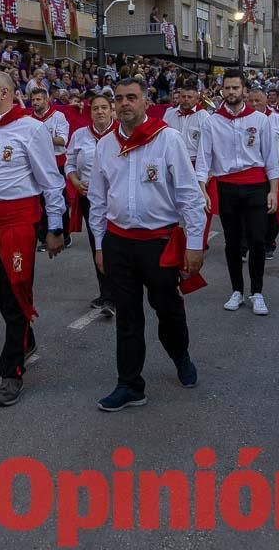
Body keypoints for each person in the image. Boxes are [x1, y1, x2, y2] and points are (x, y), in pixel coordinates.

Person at [88, 78, 206, 411]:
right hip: (120, 243)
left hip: (159, 243)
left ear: (145, 102)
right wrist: (99, 245)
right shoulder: (105, 146)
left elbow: (187, 194)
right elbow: (97, 200)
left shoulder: (167, 139)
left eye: (132, 97)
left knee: (167, 309)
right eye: (119, 98)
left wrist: (194, 243)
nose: (124, 103)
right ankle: (129, 385)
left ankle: (180, 355)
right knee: (127, 316)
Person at [0, 71, 65, 407]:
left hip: (16, 224)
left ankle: (12, 371)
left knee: (17, 287)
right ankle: (25, 336)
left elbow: (51, 181)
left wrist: (54, 227)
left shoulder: (32, 129)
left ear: (5, 92)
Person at [196, 69, 279, 315]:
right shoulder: (212, 121)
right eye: (227, 88)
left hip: (256, 185)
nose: (231, 92)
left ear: (244, 90)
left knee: (256, 240)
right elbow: (203, 159)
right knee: (232, 243)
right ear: (222, 90)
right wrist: (203, 190)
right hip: (227, 186)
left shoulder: (261, 120)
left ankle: (257, 292)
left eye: (236, 88)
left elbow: (271, 160)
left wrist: (273, 191)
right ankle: (236, 290)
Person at [67, 91, 117, 315]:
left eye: (104, 108)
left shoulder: (121, 133)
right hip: (89, 197)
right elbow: (69, 164)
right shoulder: (79, 135)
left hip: (117, 198)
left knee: (116, 245)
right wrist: (76, 182)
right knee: (97, 243)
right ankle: (106, 293)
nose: (100, 112)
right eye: (95, 108)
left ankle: (118, 293)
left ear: (111, 110)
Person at [247, 88, 279, 260]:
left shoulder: (278, 121)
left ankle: (269, 242)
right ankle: (246, 243)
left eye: (257, 101)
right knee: (248, 210)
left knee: (270, 210)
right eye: (250, 101)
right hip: (250, 173)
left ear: (266, 100)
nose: (253, 104)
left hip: (271, 174)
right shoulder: (243, 120)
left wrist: (275, 159)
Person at [31, 87, 70, 246]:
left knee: (59, 200)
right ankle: (43, 237)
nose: (35, 103)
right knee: (39, 201)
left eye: (38, 99)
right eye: (33, 100)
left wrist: (42, 138)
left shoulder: (58, 117)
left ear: (46, 100)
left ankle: (64, 235)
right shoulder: (29, 119)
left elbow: (62, 140)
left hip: (56, 162)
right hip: (37, 163)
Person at [163, 86, 210, 167]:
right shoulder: (169, 114)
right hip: (172, 160)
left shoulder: (204, 117)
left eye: (189, 97)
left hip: (194, 162)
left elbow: (208, 144)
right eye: (183, 96)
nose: (186, 99)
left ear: (197, 99)